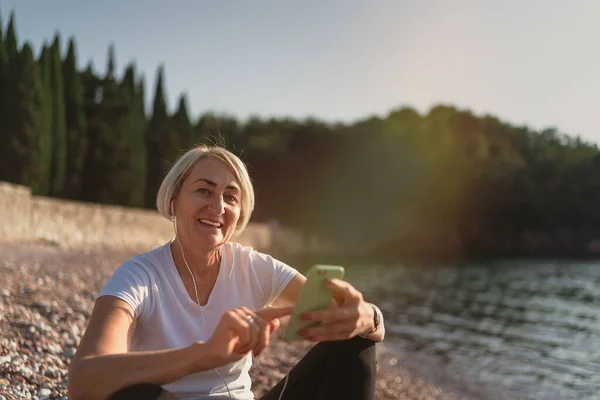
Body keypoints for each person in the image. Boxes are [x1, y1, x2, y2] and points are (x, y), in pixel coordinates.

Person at [67, 145, 385, 400]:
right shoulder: (138, 276)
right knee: (132, 394)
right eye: (204, 191)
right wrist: (206, 354)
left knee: (354, 343)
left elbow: (357, 322)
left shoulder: (254, 266)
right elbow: (83, 381)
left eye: (230, 197)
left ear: (239, 214)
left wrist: (367, 316)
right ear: (174, 200)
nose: (218, 207)